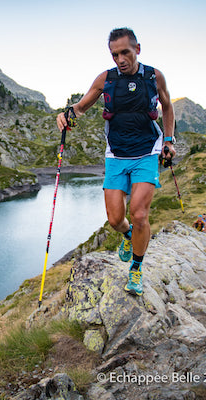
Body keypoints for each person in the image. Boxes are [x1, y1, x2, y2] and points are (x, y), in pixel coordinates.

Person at [56, 27, 175, 296]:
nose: (120, 59)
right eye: (114, 54)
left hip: (147, 152)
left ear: (137, 50)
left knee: (140, 213)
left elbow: (167, 106)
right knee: (114, 219)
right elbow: (81, 107)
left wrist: (169, 140)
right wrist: (66, 115)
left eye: (125, 52)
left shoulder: (153, 77)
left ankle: (136, 267)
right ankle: (129, 235)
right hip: (116, 155)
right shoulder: (105, 79)